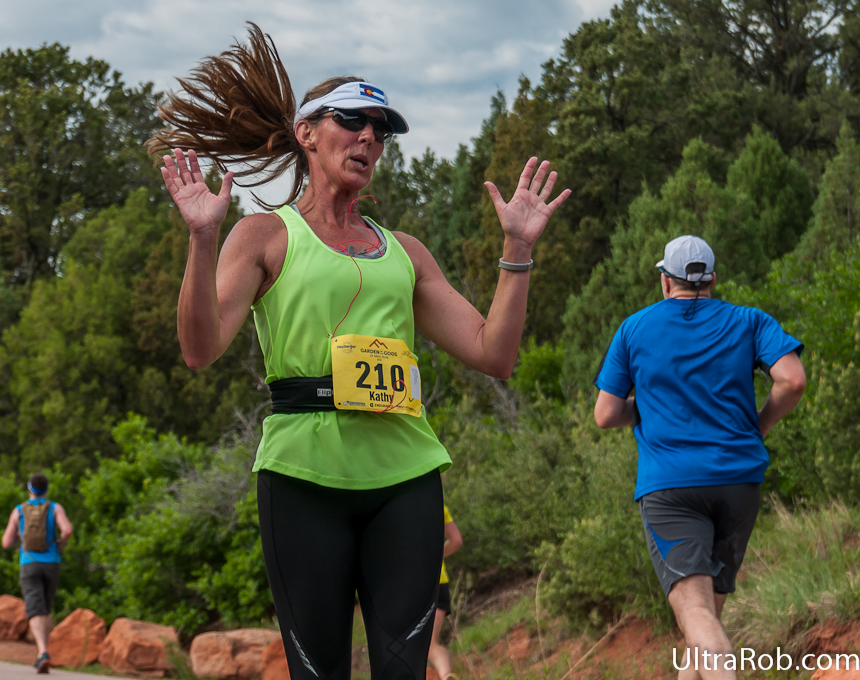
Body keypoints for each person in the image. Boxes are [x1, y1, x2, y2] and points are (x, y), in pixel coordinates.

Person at [149, 24, 570, 680]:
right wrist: (203, 238)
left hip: (406, 478)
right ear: (307, 133)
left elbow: (495, 354)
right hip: (303, 477)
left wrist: (517, 249)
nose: (370, 137)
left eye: (382, 129)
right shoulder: (263, 235)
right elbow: (200, 349)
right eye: (352, 120)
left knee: (403, 671)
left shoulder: (406, 252)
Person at [593, 236, 807, 680]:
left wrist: (644, 407)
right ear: (712, 279)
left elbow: (606, 414)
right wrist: (760, 425)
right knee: (706, 619)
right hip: (739, 483)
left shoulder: (633, 328)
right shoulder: (749, 321)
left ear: (665, 281)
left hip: (671, 488)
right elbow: (792, 380)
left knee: (696, 616)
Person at [1, 473, 73, 674]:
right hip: (52, 562)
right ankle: (44, 651)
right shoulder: (54, 508)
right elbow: (67, 530)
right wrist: (59, 546)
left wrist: (20, 538)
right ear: (46, 489)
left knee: (34, 608)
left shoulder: (19, 510)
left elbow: (6, 542)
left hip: (29, 562)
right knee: (46, 608)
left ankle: (42, 652)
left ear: (29, 488)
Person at [428, 503, 462, 680]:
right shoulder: (437, 504)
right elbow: (456, 540)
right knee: (430, 644)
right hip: (439, 582)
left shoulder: (399, 503)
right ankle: (446, 675)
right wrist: (433, 555)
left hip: (410, 585)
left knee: (405, 644)